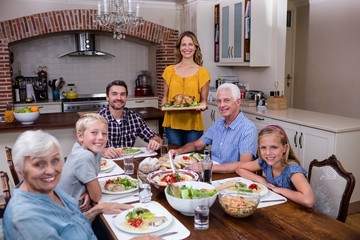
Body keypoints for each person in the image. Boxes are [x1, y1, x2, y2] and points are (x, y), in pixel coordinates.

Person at [3, 130, 132, 239]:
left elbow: (72, 223)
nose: (51, 171)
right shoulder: (25, 219)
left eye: (55, 160)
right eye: (39, 164)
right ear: (19, 168)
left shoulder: (49, 189)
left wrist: (97, 209)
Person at [171, 83, 258, 173]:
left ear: (238, 102)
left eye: (226, 100)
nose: (221, 105)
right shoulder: (219, 124)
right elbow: (197, 145)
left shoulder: (248, 129)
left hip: (233, 177)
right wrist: (178, 151)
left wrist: (206, 167)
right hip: (214, 174)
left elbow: (244, 164)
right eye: (219, 101)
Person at [236, 125, 315, 208]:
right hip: (278, 206)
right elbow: (240, 169)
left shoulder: (292, 170)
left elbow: (308, 201)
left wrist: (280, 190)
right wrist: (261, 180)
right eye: (263, 147)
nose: (268, 153)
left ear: (285, 148)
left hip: (297, 213)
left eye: (273, 147)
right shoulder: (264, 162)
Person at [161, 31, 210, 146]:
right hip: (172, 124)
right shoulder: (169, 71)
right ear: (179, 47)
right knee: (174, 157)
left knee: (191, 159)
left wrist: (201, 106)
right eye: (183, 44)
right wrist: (164, 106)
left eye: (190, 44)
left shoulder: (202, 72)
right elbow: (165, 97)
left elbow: (203, 102)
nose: (187, 48)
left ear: (195, 47)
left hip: (193, 124)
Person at [99, 80, 161, 159]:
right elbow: (85, 149)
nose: (119, 98)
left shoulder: (134, 118)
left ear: (126, 97)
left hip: (128, 164)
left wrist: (155, 141)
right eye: (114, 94)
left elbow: (155, 137)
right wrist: (102, 151)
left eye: (122, 94)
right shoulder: (98, 119)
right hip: (105, 165)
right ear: (107, 97)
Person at [59, 113, 108, 206]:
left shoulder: (88, 148)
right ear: (80, 136)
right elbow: (96, 197)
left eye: (104, 133)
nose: (101, 137)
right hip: (71, 213)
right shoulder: (85, 156)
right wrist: (92, 194)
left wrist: (88, 193)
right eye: (94, 132)